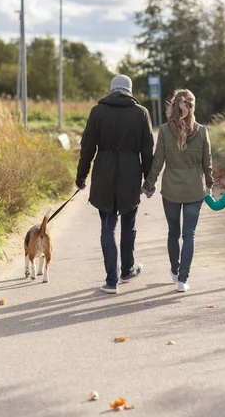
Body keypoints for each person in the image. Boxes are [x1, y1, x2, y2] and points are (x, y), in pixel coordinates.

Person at [76, 75, 154, 294]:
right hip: (130, 174)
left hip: (104, 173)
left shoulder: (97, 112)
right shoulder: (141, 113)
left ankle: (111, 281)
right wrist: (148, 182)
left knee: (108, 226)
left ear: (110, 90)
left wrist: (81, 176)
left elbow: (87, 148)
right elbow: (147, 152)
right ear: (130, 90)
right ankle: (127, 269)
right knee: (129, 224)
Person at [142, 89, 213, 292]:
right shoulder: (202, 130)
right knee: (189, 235)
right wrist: (209, 184)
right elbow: (207, 163)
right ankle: (183, 279)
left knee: (173, 233)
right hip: (194, 189)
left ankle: (174, 270)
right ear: (192, 106)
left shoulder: (164, 130)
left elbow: (158, 162)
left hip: (171, 189)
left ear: (173, 106)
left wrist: (149, 185)